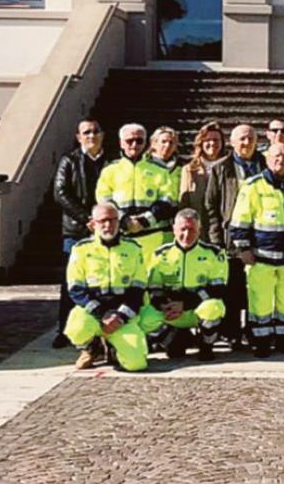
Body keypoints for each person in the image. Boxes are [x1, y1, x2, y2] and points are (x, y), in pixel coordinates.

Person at [229, 137, 284, 357]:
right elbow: (239, 222)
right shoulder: (253, 187)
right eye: (276, 156)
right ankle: (260, 341)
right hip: (261, 258)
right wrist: (243, 249)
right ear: (267, 159)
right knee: (261, 300)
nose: (281, 160)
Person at [63, 202, 149, 372]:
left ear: (119, 222)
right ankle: (91, 348)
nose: (108, 225)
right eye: (102, 221)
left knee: (137, 364)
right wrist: (102, 314)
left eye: (112, 220)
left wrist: (121, 317)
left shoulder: (133, 249)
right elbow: (75, 289)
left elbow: (138, 289)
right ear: (93, 223)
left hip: (121, 315)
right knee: (76, 327)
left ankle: (113, 350)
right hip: (93, 313)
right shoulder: (80, 250)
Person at [203, 123, 265, 350]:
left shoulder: (264, 164)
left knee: (256, 288)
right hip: (230, 240)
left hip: (260, 236)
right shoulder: (221, 168)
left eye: (250, 138)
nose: (246, 143)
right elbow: (211, 207)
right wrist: (216, 240)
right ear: (232, 142)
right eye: (242, 139)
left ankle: (254, 329)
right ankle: (231, 332)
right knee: (232, 289)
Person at [137, 207, 227, 361]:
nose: (186, 235)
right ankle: (174, 339)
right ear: (174, 229)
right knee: (144, 319)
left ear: (199, 230)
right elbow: (154, 287)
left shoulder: (214, 253)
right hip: (170, 311)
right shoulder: (160, 254)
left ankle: (206, 346)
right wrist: (164, 305)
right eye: (182, 229)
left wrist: (184, 304)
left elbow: (217, 289)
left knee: (214, 307)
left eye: (192, 229)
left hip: (196, 309)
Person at [51, 118, 106, 348]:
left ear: (102, 134)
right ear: (78, 136)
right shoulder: (69, 161)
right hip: (75, 231)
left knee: (102, 279)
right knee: (71, 281)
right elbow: (61, 193)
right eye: (86, 132)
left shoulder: (111, 162)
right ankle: (65, 330)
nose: (91, 136)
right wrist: (86, 218)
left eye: (95, 131)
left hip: (104, 230)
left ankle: (100, 329)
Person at [96, 123, 177, 254]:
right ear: (121, 143)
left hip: (152, 236)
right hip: (121, 236)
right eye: (129, 141)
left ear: (145, 143)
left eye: (139, 141)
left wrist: (144, 221)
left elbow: (168, 200)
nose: (134, 145)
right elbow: (104, 200)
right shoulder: (109, 170)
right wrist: (124, 220)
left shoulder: (160, 170)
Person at [179, 121, 226, 222]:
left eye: (216, 140)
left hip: (222, 224)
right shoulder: (189, 170)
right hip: (198, 223)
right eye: (208, 140)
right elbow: (184, 202)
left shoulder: (229, 167)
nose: (212, 143)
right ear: (201, 143)